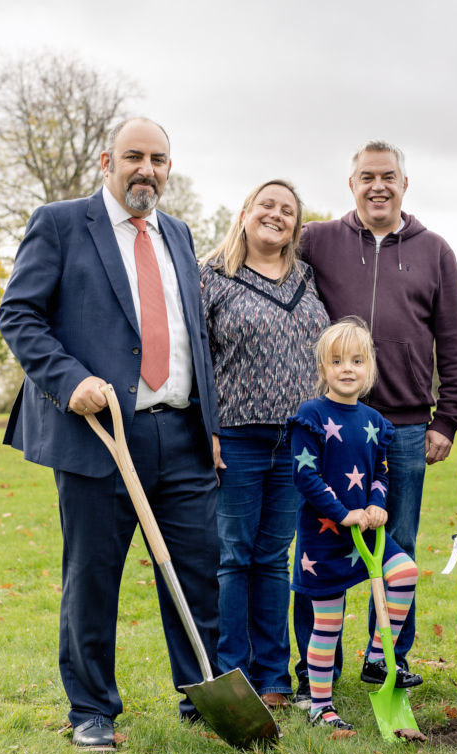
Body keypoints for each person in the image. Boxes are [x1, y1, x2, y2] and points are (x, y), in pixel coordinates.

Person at [0, 118, 222, 751]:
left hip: (180, 433)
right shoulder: (62, 223)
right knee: (93, 575)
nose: (145, 169)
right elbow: (19, 313)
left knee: (198, 570)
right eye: (133, 157)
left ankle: (199, 694)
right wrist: (70, 381)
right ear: (106, 161)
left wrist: (206, 423)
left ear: (169, 168)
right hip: (100, 434)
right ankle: (91, 709)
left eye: (157, 159)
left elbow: (190, 336)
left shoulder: (177, 234)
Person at [291, 140, 457, 706]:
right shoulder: (317, 240)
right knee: (318, 541)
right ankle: (312, 669)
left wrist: (448, 417)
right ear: (352, 185)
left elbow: (455, 341)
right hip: (331, 423)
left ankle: (386, 657)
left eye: (388, 176)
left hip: (407, 426)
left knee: (398, 540)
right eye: (366, 176)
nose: (378, 186)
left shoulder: (434, 249)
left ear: (404, 183)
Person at [199, 180, 329, 709]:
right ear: (246, 212)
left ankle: (274, 678)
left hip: (296, 439)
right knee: (234, 558)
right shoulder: (211, 277)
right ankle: (235, 675)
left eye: (288, 210)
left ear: (296, 225)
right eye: (267, 205)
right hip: (236, 437)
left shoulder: (307, 277)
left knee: (275, 559)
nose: (276, 215)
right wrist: (203, 428)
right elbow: (197, 361)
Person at [289, 317, 421, 730]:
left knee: (405, 572)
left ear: (370, 369)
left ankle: (380, 658)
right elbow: (305, 475)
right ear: (323, 369)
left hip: (368, 534)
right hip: (325, 537)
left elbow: (381, 473)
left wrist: (378, 505)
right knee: (327, 624)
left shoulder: (374, 421)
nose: (347, 369)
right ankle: (321, 705)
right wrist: (341, 513)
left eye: (357, 361)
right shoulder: (310, 415)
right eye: (337, 361)